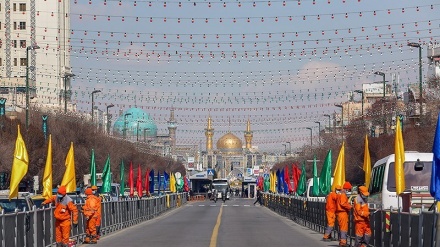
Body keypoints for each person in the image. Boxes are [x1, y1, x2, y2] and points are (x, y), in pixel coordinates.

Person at [335, 182, 353, 247]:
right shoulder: (343, 195)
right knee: (343, 228)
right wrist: (350, 206)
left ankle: (342, 241)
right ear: (347, 189)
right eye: (349, 189)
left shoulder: (340, 194)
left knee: (342, 228)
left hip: (341, 213)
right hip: (342, 213)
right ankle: (343, 242)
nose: (349, 191)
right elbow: (343, 203)